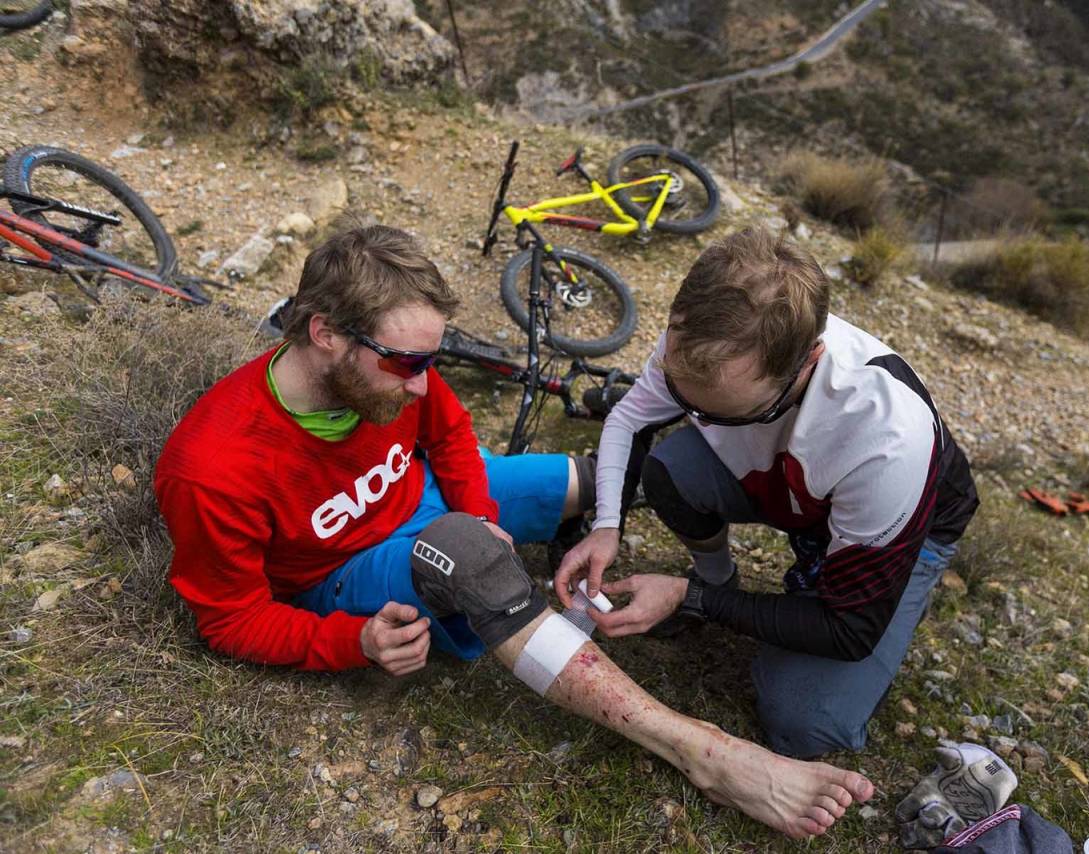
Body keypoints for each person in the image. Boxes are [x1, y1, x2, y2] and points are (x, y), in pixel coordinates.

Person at [154, 221, 874, 838]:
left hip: (416, 495)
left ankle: (510, 567)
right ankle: (701, 751)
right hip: (340, 570)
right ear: (324, 333)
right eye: (406, 364)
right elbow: (229, 620)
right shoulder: (213, 468)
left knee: (597, 479)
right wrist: (353, 641)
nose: (421, 381)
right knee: (469, 557)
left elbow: (449, 434)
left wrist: (479, 511)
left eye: (431, 361)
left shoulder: (393, 367)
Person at [556, 225, 980, 759]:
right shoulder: (701, 339)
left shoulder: (886, 439)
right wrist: (606, 526)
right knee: (671, 469)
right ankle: (722, 577)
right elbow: (630, 419)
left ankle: (890, 588)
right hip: (795, 483)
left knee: (803, 722)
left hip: (906, 526)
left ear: (807, 363)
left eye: (727, 414)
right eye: (687, 401)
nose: (700, 416)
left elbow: (848, 630)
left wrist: (692, 597)